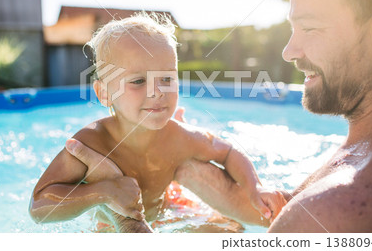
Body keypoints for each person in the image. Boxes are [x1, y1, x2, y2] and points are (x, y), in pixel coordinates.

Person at [65, 0, 372, 232]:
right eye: (292, 29)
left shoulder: (331, 212)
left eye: (311, 28)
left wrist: (127, 219)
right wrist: (185, 165)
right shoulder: (359, 158)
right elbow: (287, 208)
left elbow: (305, 216)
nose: (289, 51)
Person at [29, 13, 286, 232]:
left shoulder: (179, 137)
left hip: (167, 214)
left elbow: (229, 152)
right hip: (109, 229)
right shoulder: (91, 144)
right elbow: (39, 206)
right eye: (138, 81)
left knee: (234, 231)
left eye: (166, 79)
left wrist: (255, 188)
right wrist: (102, 192)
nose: (157, 92)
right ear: (104, 93)